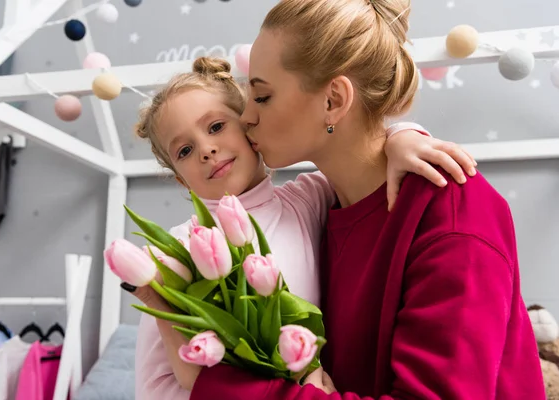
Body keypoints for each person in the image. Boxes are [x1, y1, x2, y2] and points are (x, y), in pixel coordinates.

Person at [169, 0, 543, 399]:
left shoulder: (451, 211)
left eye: (261, 96)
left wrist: (219, 388)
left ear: (332, 101)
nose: (246, 117)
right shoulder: (321, 208)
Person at [127, 54, 477, 400]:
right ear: (181, 180)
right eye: (185, 150)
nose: (206, 149)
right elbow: (156, 378)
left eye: (216, 127)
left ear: (251, 126)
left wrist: (404, 136)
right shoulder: (184, 247)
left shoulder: (306, 198)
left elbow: (363, 154)